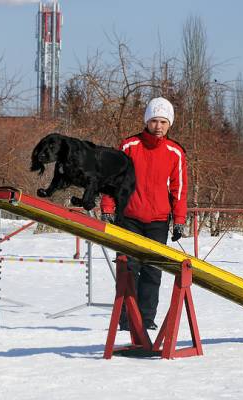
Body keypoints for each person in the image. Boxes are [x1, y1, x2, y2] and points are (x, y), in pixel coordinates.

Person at [100, 97, 187, 332]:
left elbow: (179, 189)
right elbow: (112, 178)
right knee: (128, 269)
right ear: (147, 121)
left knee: (152, 270)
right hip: (129, 218)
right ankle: (127, 320)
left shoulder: (175, 152)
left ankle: (147, 319)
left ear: (169, 124)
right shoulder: (129, 146)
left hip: (158, 221)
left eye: (163, 122)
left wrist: (179, 220)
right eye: (154, 121)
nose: (158, 126)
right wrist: (107, 208)